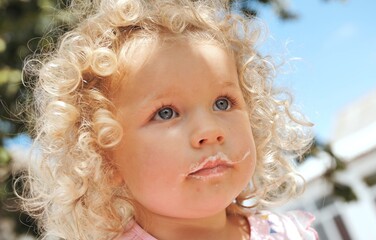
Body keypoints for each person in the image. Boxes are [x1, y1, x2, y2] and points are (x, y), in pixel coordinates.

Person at [17, 0, 318, 239]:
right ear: (105, 158)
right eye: (166, 113)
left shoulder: (288, 233)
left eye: (223, 103)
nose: (210, 130)